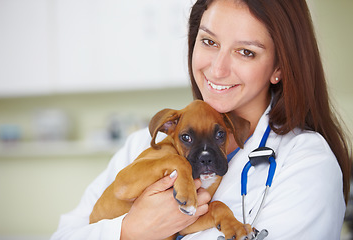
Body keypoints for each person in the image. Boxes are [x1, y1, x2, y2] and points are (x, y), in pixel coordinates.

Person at [51, 0, 352, 239]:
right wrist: (129, 232)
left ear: (279, 67)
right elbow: (65, 235)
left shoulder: (307, 163)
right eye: (209, 42)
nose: (218, 69)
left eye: (246, 52)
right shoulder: (146, 146)